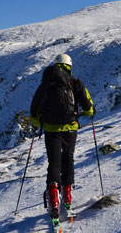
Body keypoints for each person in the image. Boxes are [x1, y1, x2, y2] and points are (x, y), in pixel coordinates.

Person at [30, 53, 94, 223]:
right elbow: (88, 104)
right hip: (70, 128)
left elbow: (34, 106)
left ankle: (53, 198)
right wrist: (89, 112)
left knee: (54, 162)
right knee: (68, 159)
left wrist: (36, 123)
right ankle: (67, 196)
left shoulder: (46, 83)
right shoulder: (75, 83)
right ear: (69, 66)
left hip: (51, 129)